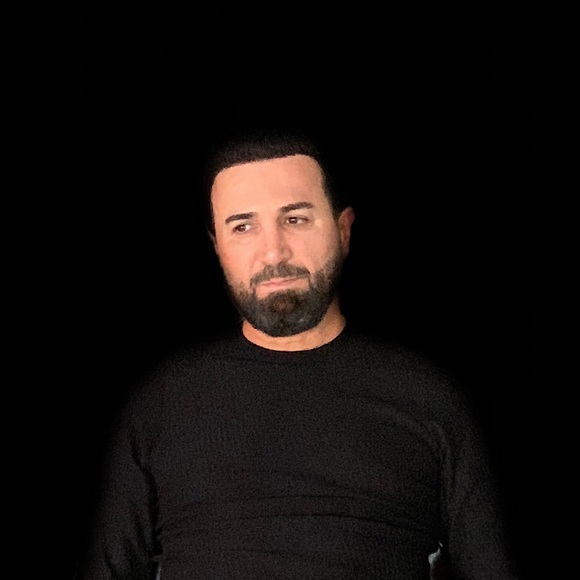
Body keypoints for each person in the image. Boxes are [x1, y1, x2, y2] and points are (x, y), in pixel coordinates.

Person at [74, 120, 520, 579]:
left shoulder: (426, 397)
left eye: (295, 219)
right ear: (217, 248)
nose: (273, 253)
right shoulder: (163, 405)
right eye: (243, 226)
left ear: (343, 230)